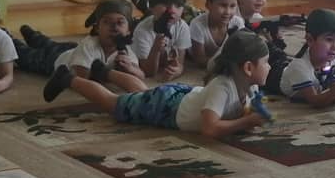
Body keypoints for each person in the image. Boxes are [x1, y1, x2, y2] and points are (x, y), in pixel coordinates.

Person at [42, 30, 270, 139]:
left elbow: (246, 108)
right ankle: (67, 78)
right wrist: (245, 122)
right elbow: (209, 129)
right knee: (115, 103)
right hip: (168, 108)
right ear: (248, 68)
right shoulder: (222, 87)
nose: (269, 67)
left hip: (181, 97)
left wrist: (254, 112)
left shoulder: (250, 85)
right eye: (266, 62)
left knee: (143, 94)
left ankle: (105, 72)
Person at [16, 0, 148, 96]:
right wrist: (106, 74)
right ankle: (12, 40)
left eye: (120, 22)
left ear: (129, 30)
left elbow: (141, 76)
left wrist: (130, 68)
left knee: (50, 45)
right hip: (55, 60)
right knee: (27, 57)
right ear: (97, 28)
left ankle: (34, 36)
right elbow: (81, 75)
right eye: (107, 22)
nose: (114, 27)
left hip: (71, 49)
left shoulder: (126, 51)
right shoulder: (89, 44)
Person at [278, 8, 335, 107]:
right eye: (329, 39)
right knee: (270, 58)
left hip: (296, 69)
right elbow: (315, 101)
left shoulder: (334, 57)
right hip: (275, 75)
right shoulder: (299, 68)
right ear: (310, 39)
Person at [130, 0, 192, 79]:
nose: (172, 10)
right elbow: (148, 72)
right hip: (145, 21)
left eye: (177, 5)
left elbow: (180, 63)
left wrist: (177, 70)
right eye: (166, 4)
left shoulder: (182, 27)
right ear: (152, 6)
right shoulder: (142, 30)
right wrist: (156, 48)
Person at [188, 0, 243, 67]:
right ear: (208, 5)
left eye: (232, 6)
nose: (228, 12)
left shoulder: (237, 23)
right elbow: (200, 60)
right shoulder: (197, 24)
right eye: (223, 5)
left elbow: (241, 52)